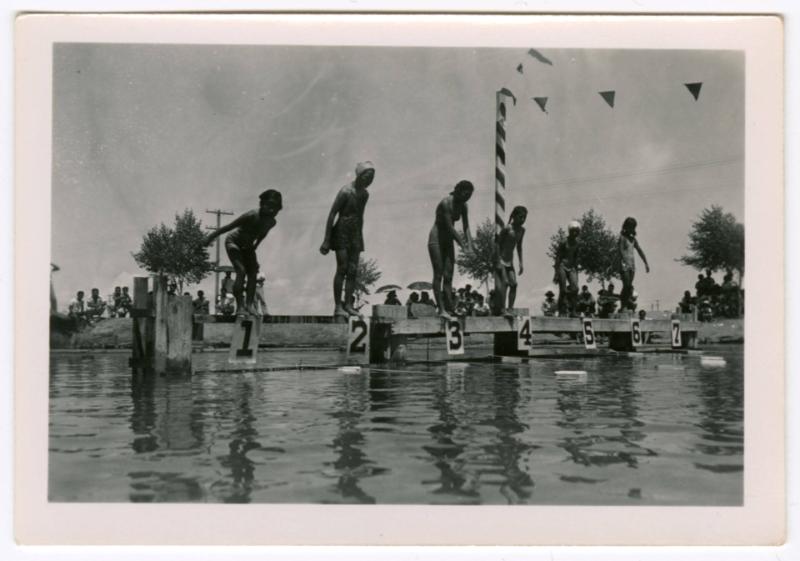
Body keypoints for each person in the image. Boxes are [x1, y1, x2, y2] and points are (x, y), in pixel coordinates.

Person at [205, 189, 283, 316]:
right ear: (262, 204)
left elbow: (262, 235)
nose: (272, 211)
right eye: (269, 207)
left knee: (253, 273)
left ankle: (249, 305)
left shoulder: (271, 222)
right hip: (233, 242)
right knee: (241, 270)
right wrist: (210, 237)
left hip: (247, 246)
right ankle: (240, 306)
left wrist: (255, 247)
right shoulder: (251, 215)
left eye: (276, 209)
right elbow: (228, 227)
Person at [319, 161, 375, 318]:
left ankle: (348, 304)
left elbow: (360, 216)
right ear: (359, 175)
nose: (370, 180)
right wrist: (327, 239)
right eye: (367, 176)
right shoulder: (345, 191)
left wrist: (359, 236)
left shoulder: (364, 194)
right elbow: (332, 214)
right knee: (342, 268)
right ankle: (338, 306)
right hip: (342, 230)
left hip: (355, 233)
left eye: (372, 178)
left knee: (353, 270)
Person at [428, 180, 474, 319]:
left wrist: (471, 245)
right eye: (465, 195)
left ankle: (449, 308)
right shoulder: (446, 203)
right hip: (436, 239)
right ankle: (441, 309)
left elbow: (466, 227)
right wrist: (464, 246)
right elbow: (450, 227)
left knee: (449, 276)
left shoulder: (464, 206)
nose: (467, 198)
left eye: (469, 196)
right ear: (459, 191)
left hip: (448, 241)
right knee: (439, 274)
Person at [493, 206, 527, 315]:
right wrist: (497, 260)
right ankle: (502, 309)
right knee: (505, 282)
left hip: (509, 261)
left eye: (524, 218)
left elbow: (519, 247)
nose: (522, 220)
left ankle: (510, 308)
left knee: (514, 284)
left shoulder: (522, 230)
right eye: (521, 217)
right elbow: (497, 243)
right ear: (514, 216)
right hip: (501, 259)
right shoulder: (507, 228)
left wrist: (521, 263)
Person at [618, 217, 650, 311]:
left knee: (629, 287)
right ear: (625, 227)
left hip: (632, 265)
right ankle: (623, 306)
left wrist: (646, 263)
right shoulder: (622, 238)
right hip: (624, 264)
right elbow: (621, 251)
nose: (631, 229)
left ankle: (625, 304)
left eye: (633, 227)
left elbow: (639, 250)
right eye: (629, 227)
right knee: (627, 285)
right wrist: (624, 262)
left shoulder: (633, 239)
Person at [553, 221, 581, 317]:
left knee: (575, 288)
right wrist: (556, 273)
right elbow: (558, 257)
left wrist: (576, 271)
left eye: (577, 231)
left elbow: (576, 256)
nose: (575, 233)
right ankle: (561, 310)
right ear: (569, 231)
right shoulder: (564, 242)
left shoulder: (577, 243)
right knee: (563, 290)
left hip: (572, 266)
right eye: (573, 231)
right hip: (562, 266)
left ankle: (573, 311)